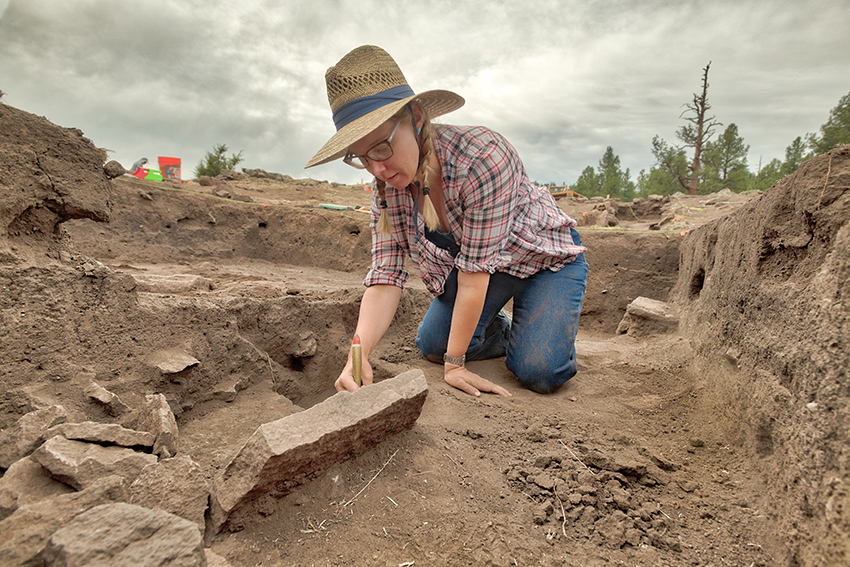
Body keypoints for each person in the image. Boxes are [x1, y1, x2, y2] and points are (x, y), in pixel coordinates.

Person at [305, 45, 588, 398]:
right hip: (488, 271)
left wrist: (457, 365)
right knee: (434, 345)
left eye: (380, 148)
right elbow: (385, 278)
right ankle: (504, 329)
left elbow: (471, 279)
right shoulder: (386, 192)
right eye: (361, 157)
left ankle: (541, 326)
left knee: (540, 371)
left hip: (544, 259)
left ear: (418, 117)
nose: (377, 168)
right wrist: (356, 355)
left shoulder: (483, 157)